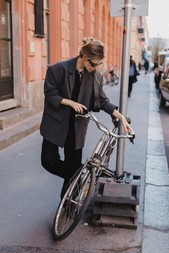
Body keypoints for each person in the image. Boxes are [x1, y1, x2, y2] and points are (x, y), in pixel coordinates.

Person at [40, 37, 133, 200]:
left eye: (99, 64)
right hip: (55, 124)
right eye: (93, 64)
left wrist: (121, 118)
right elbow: (50, 93)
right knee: (48, 161)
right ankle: (78, 175)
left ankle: (67, 205)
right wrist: (70, 102)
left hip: (77, 128)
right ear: (83, 56)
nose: (95, 68)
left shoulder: (96, 77)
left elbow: (103, 102)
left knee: (72, 167)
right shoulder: (58, 69)